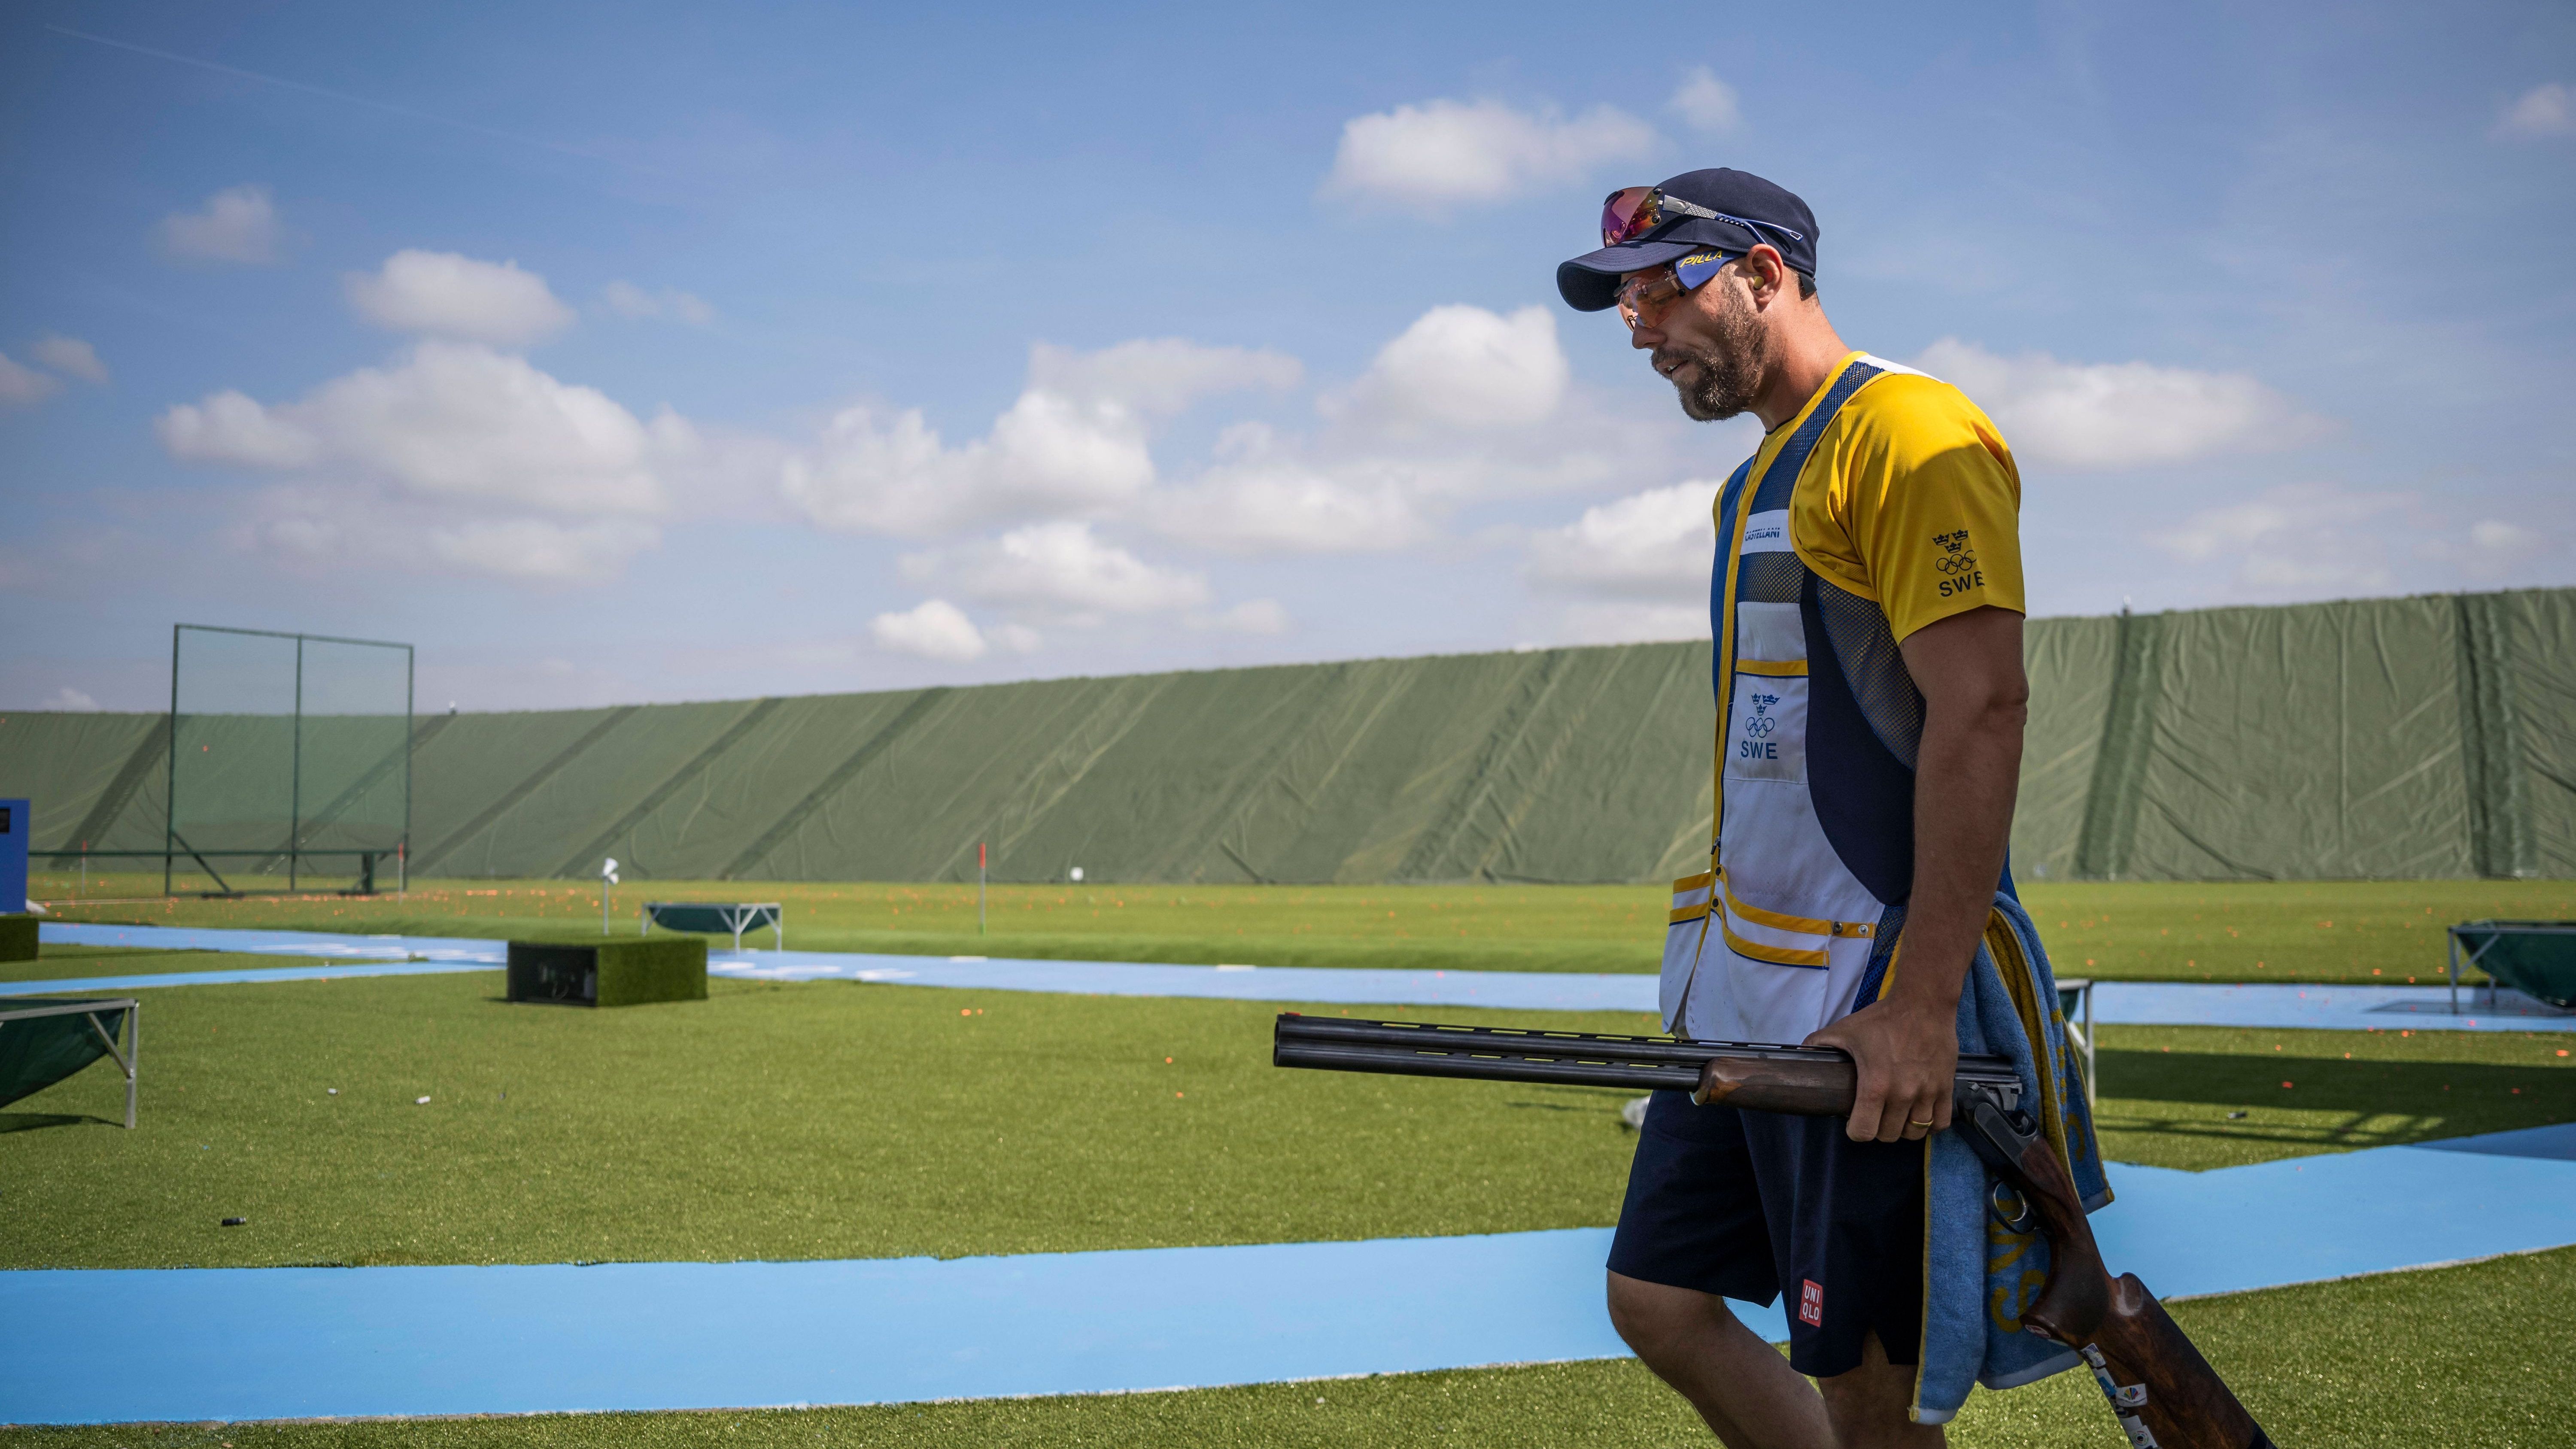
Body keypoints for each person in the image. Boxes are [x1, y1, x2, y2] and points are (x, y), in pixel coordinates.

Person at [1557, 170, 2029, 1448]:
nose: (1641, 327)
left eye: (1667, 287)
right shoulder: (1751, 482)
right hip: (1748, 982)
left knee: (1869, 1391)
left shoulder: (1913, 433)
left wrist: (1923, 1003)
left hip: (1863, 993)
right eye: (1625, 303)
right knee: (1656, 1296)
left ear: (1766, 274)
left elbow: (1982, 709)